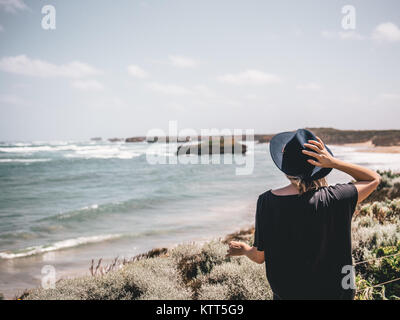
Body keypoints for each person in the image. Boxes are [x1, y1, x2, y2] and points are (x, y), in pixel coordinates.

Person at [226, 129, 380, 300]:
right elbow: (373, 179)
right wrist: (334, 163)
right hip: (338, 293)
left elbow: (259, 256)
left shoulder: (267, 202)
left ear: (286, 168)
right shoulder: (336, 197)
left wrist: (245, 250)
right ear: (320, 166)